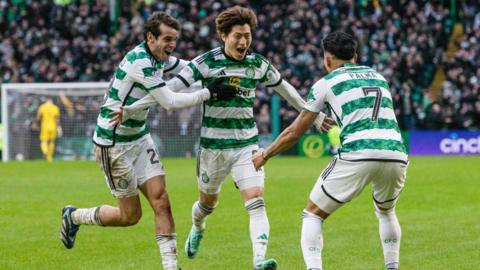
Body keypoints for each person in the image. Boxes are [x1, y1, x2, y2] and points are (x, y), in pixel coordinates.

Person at [119, 6, 331, 270]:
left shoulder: (258, 64)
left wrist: (317, 116)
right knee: (207, 204)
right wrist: (129, 109)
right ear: (222, 35)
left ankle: (259, 260)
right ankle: (198, 226)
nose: (244, 41)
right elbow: (169, 91)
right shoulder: (205, 62)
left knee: (256, 201)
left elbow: (287, 91)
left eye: (247, 35)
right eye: (237, 36)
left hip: (247, 146)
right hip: (212, 149)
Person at [60, 11, 236, 270]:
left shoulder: (159, 57)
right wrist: (208, 92)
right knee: (129, 216)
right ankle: (74, 216)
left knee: (161, 200)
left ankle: (171, 267)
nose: (171, 45)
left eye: (174, 39)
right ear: (150, 38)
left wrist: (222, 67)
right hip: (113, 143)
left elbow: (190, 67)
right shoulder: (140, 62)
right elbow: (170, 102)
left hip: (140, 138)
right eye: (166, 39)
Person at [252, 31, 408, 270]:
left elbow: (295, 131)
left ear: (326, 59)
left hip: (359, 152)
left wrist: (264, 155)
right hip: (396, 152)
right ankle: (392, 267)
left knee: (312, 214)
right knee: (386, 212)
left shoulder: (325, 83)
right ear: (355, 56)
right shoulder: (379, 77)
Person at [36, 97, 61, 162]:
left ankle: (45, 152)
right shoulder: (55, 107)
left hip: (44, 126)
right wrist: (58, 127)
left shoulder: (42, 107)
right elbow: (57, 119)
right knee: (51, 141)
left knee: (44, 141)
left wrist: (37, 124)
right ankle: (49, 157)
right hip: (53, 127)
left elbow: (38, 118)